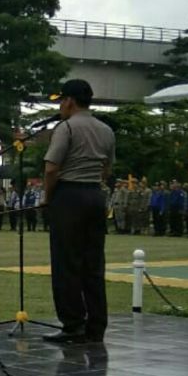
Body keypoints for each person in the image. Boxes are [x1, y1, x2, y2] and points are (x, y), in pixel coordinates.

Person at [41, 79, 115, 344]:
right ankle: (96, 326)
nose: (61, 105)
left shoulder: (67, 128)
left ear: (70, 101)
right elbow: (107, 168)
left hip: (69, 195)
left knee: (66, 263)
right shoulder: (106, 130)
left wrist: (49, 198)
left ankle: (73, 325)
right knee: (93, 263)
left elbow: (51, 168)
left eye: (62, 100)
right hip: (95, 195)